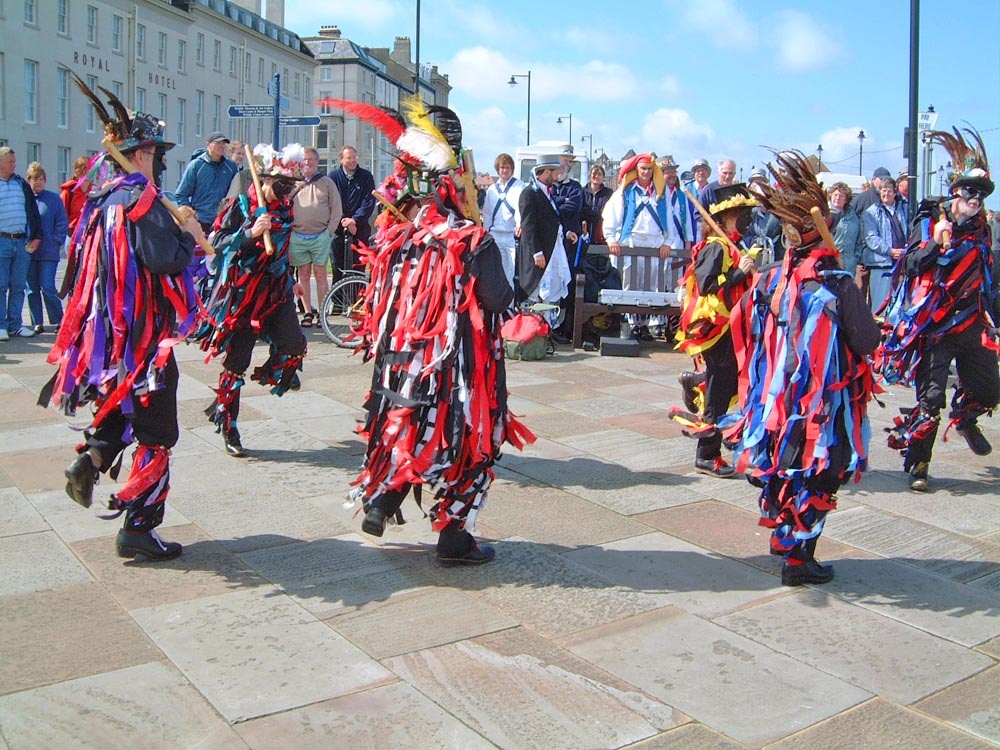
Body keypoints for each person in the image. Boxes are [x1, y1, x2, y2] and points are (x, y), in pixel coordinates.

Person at [338, 97, 533, 564]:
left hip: (401, 362)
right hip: (457, 368)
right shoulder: (469, 239)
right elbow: (498, 298)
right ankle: (454, 538)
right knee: (469, 442)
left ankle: (385, 500)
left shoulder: (392, 237)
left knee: (408, 428)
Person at [44, 84, 201, 560]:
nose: (161, 161)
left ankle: (91, 458)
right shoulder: (143, 200)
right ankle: (137, 529)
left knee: (120, 406)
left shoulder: (103, 198)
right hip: (146, 340)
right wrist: (189, 236)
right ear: (144, 153)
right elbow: (160, 260)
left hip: (112, 339)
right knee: (157, 431)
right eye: (157, 152)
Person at [724, 151, 880, 586]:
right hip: (822, 405)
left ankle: (787, 546)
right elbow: (867, 341)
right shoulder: (837, 284)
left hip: (774, 402)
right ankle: (798, 559)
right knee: (822, 470)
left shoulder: (772, 278)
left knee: (784, 466)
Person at [879, 128, 999, 492]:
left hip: (972, 323)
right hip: (934, 326)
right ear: (954, 193)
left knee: (991, 389)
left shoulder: (984, 231)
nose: (976, 199)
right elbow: (911, 264)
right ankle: (918, 466)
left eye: (981, 194)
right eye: (970, 192)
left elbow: (991, 278)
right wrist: (934, 241)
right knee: (930, 400)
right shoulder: (930, 220)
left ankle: (965, 418)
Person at [195, 144, 308, 458]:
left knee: (295, 345)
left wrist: (293, 279)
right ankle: (229, 425)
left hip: (277, 291)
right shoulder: (241, 206)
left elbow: (283, 249)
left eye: (290, 188)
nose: (286, 194)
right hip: (244, 296)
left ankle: (278, 370)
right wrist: (249, 233)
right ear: (265, 180)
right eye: (282, 186)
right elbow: (214, 246)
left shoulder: (286, 207)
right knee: (236, 364)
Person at [675, 184, 757, 477]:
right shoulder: (715, 248)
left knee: (727, 385)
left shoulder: (734, 247)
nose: (746, 220)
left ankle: (695, 380)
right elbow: (707, 285)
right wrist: (739, 274)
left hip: (733, 330)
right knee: (718, 392)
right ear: (723, 219)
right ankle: (706, 455)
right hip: (717, 331)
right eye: (740, 215)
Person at [602, 153, 672, 339]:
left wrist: (667, 242)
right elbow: (611, 216)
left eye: (649, 169)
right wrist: (611, 239)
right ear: (637, 170)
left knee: (655, 284)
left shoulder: (661, 193)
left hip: (655, 242)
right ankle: (632, 323)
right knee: (630, 283)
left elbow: (670, 219)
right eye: (643, 169)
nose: (646, 173)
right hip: (631, 242)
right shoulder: (625, 192)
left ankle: (654, 323)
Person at [290, 147, 342, 327]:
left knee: (321, 275)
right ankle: (307, 313)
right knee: (303, 274)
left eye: (311, 159)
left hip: (321, 235)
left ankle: (322, 313)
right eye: (304, 160)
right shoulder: (292, 183)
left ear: (317, 162)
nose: (307, 163)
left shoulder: (327, 182)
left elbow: (336, 209)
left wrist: (329, 232)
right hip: (298, 235)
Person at [515, 153, 572, 317]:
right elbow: (528, 226)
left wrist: (566, 233)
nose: (558, 174)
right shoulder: (529, 193)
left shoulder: (547, 192)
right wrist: (536, 252)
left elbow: (549, 221)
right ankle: (533, 333)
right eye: (556, 171)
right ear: (547, 172)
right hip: (539, 254)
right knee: (536, 295)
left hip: (551, 250)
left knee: (548, 297)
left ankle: (544, 331)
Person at [0, 146, 42, 341]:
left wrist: (36, 236)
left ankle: (15, 324)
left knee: (18, 286)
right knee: (1, 285)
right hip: (2, 240)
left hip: (21, 241)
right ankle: (1, 325)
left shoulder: (21, 184)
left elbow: (33, 212)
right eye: (10, 162)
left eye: (14, 161)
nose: (14, 165)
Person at [24, 162, 68, 334]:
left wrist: (56, 240)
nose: (38, 183)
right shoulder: (25, 198)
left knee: (47, 286)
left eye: (41, 179)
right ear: (29, 180)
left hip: (48, 251)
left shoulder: (53, 199)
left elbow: (62, 222)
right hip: (29, 252)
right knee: (32, 288)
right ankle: (37, 322)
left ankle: (58, 319)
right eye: (35, 179)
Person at [551, 145, 586, 343]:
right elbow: (549, 207)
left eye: (571, 161)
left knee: (568, 283)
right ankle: (549, 325)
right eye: (565, 160)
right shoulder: (548, 186)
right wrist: (558, 201)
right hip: (551, 243)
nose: (568, 164)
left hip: (569, 246)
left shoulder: (575, 188)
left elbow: (573, 207)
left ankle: (564, 328)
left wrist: (557, 203)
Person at [173, 131, 239, 233]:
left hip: (224, 221)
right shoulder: (196, 165)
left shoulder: (231, 167)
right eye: (218, 143)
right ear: (208, 144)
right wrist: (191, 216)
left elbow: (237, 193)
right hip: (201, 221)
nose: (221, 146)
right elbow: (181, 194)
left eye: (223, 143)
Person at [328, 146, 376, 282]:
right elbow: (331, 202)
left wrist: (354, 220)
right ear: (341, 159)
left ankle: (358, 300)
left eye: (355, 157)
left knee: (358, 266)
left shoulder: (366, 176)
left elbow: (368, 201)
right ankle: (338, 301)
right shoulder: (333, 177)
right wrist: (345, 221)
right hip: (338, 229)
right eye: (349, 157)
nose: (353, 160)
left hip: (359, 229)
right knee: (338, 265)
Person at [861, 175, 906, 312]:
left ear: (895, 192)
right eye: (883, 191)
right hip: (882, 265)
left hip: (903, 265)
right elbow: (871, 238)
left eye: (889, 191)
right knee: (880, 306)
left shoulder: (904, 209)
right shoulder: (871, 213)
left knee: (900, 305)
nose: (886, 194)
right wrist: (890, 251)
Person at [482, 152, 524, 288]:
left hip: (510, 236)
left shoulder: (519, 187)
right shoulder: (492, 190)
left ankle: (508, 307)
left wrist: (519, 224)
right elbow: (487, 212)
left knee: (509, 273)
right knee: (495, 272)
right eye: (502, 168)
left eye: (507, 167)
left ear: (512, 169)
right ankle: (496, 308)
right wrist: (486, 232)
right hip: (495, 235)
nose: (504, 170)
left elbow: (520, 208)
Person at [829, 182, 863, 275]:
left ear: (846, 199)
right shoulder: (825, 215)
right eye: (835, 195)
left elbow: (859, 240)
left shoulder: (853, 217)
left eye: (841, 196)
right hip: (830, 263)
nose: (837, 198)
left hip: (849, 265)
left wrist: (856, 258)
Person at [581, 164, 613, 246]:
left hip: (600, 233)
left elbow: (607, 212)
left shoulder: (608, 193)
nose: (597, 176)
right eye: (594, 174)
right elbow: (580, 211)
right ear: (590, 175)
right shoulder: (582, 191)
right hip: (584, 232)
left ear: (603, 177)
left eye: (599, 174)